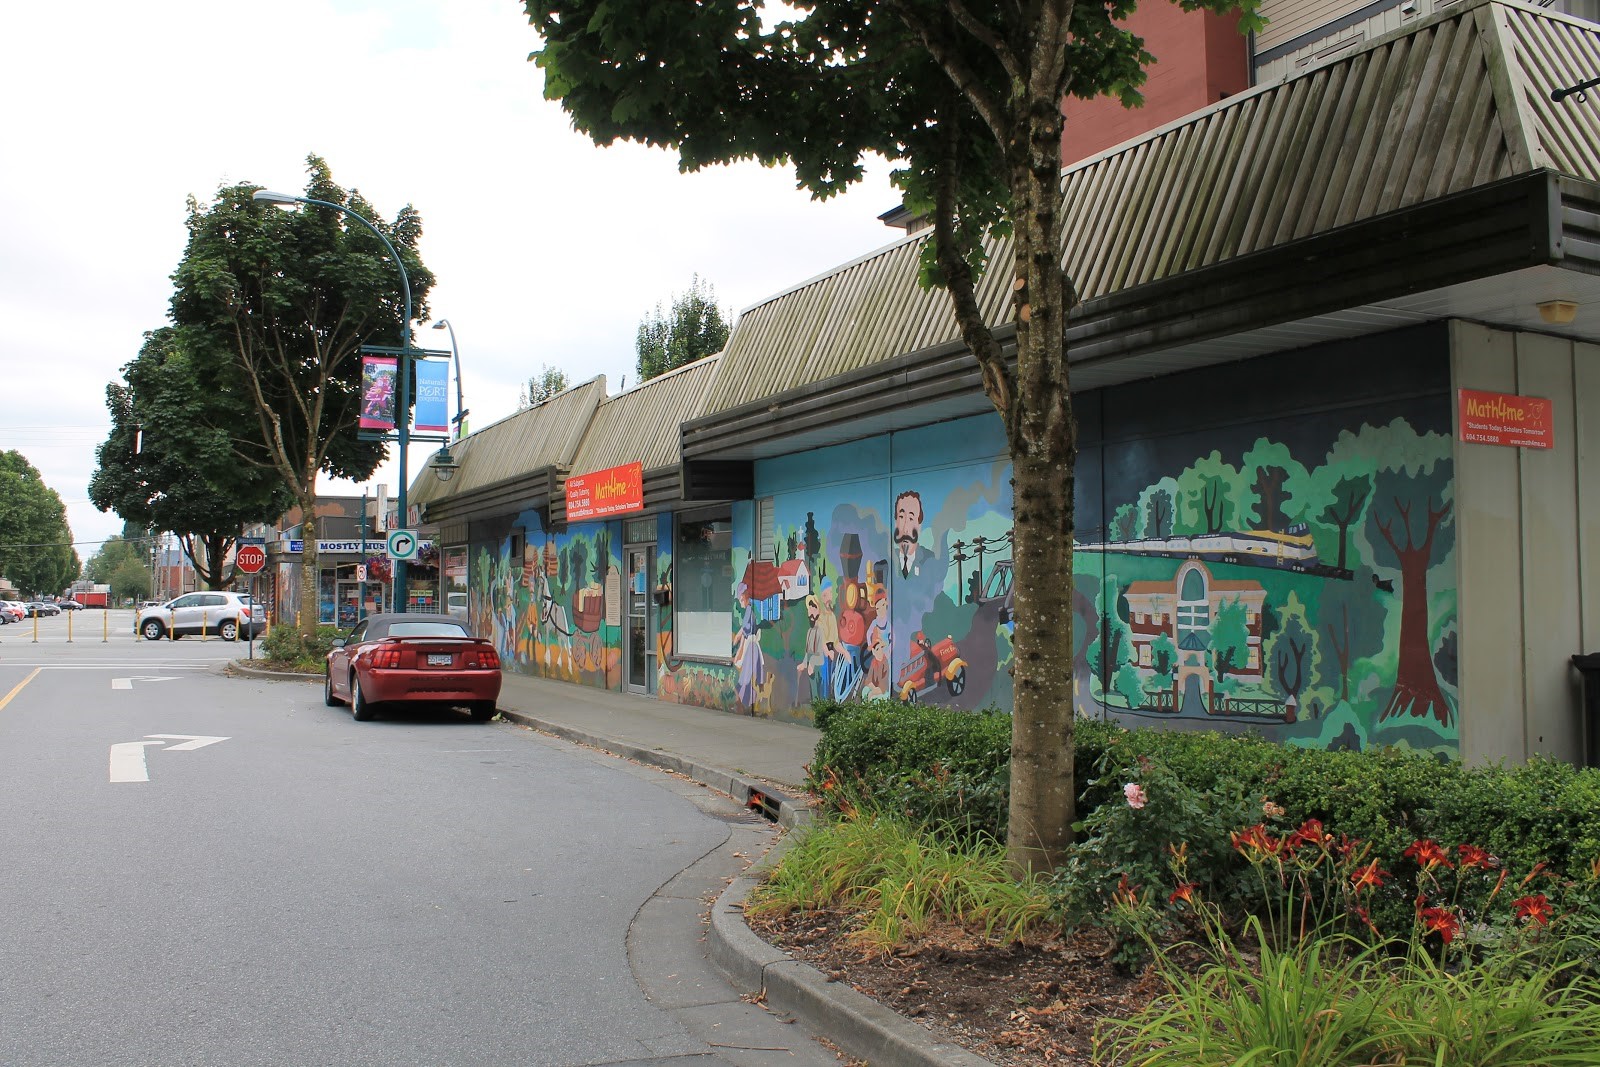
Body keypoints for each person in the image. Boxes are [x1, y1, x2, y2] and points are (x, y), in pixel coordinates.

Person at [798, 592, 840, 701]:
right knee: (814, 694)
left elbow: (823, 650)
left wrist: (812, 662)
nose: (811, 612)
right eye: (809, 609)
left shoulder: (821, 628)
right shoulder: (810, 632)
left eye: (814, 608)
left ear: (819, 610)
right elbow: (808, 652)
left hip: (822, 664)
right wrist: (804, 663)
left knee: (823, 692)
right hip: (813, 669)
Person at [734, 583, 767, 713]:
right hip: (751, 645)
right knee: (748, 676)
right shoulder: (751, 609)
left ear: (744, 596)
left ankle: (743, 703)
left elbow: (744, 632)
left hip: (751, 646)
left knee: (746, 676)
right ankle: (745, 702)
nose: (740, 602)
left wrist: (739, 651)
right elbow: (743, 632)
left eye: (741, 599)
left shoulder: (749, 610)